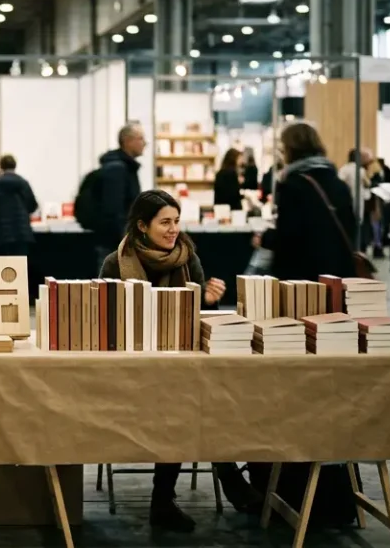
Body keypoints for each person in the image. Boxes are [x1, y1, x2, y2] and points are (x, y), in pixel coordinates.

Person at [98, 190, 258, 530]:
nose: (173, 230)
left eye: (176, 221)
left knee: (193, 396)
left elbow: (199, 320)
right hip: (134, 370)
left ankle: (165, 500)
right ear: (142, 226)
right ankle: (225, 479)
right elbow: (104, 324)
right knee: (184, 401)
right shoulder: (116, 264)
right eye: (164, 223)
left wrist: (211, 302)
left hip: (181, 368)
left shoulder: (187, 259)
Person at [257, 123, 357, 282]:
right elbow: (351, 227)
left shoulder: (292, 186)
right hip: (338, 273)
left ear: (290, 149)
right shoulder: (338, 184)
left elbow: (289, 237)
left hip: (303, 280)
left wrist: (265, 238)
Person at [95, 124, 146, 264]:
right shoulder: (117, 169)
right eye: (140, 138)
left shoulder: (126, 167)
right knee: (110, 284)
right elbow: (114, 209)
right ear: (128, 141)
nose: (145, 143)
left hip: (118, 241)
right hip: (115, 243)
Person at [0, 154, 38, 257]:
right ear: (15, 165)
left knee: (2, 270)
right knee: (20, 270)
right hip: (21, 234)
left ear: (0, 166)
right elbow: (33, 205)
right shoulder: (23, 183)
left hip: (0, 235)